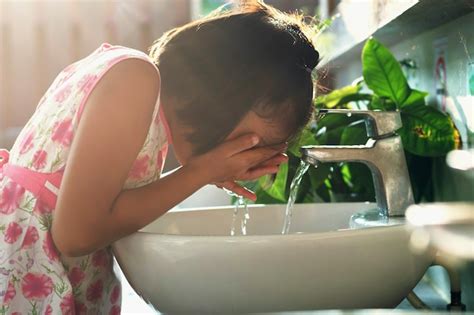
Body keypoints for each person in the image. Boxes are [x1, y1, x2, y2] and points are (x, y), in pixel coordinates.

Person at [0, 1, 319, 313]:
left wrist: (202, 172)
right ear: (221, 95)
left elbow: (105, 207)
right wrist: (201, 170)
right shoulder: (134, 79)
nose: (249, 158)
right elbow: (76, 234)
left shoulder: (140, 94)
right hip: (26, 276)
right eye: (253, 142)